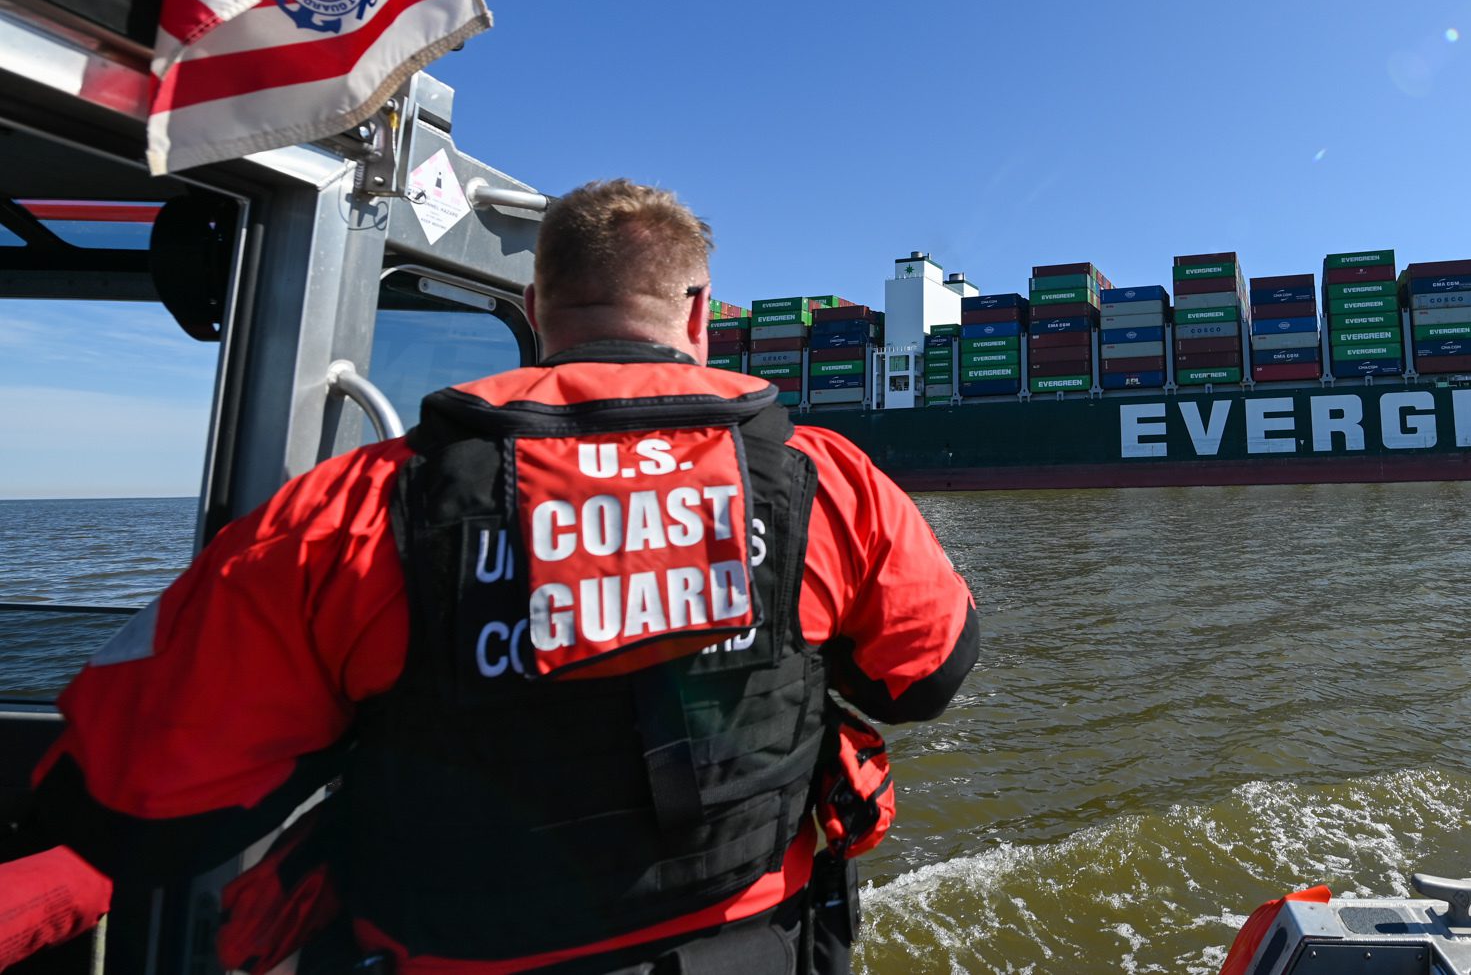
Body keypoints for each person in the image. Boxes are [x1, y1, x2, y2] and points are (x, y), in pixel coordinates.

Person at [21, 179, 979, 974]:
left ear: (534, 307)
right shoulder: (826, 479)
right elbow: (928, 677)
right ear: (699, 311)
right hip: (752, 945)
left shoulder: (354, 506)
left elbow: (142, 793)